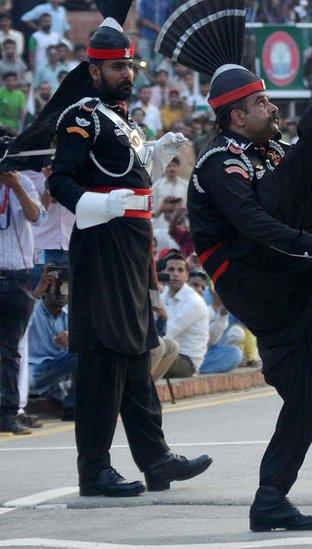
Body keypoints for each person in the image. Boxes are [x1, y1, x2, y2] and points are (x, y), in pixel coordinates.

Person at [154, 1, 312, 530]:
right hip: (256, 277)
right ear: (235, 116)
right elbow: (252, 221)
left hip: (290, 280)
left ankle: (271, 496)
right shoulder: (219, 162)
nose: (272, 109)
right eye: (262, 102)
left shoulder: (268, 151)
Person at [44, 3, 211, 497]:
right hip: (102, 246)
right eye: (117, 67)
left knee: (138, 354)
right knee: (103, 358)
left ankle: (155, 459)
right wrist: (93, 204)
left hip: (134, 247)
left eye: (129, 66)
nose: (126, 74)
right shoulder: (83, 118)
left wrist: (155, 160)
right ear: (94, 70)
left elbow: (132, 184)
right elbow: (61, 179)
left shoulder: (126, 121)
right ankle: (93, 469)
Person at [0, 162, 42, 435]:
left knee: (10, 351)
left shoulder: (24, 182)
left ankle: (8, 412)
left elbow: (36, 216)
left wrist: (15, 186)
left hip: (17, 278)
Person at [28, 266, 75, 420]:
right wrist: (40, 288)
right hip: (34, 368)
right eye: (56, 288)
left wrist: (72, 337)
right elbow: (24, 312)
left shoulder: (69, 313)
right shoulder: (34, 310)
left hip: (57, 368)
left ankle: (72, 406)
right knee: (23, 382)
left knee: (83, 349)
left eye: (65, 288)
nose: (62, 295)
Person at [160, 253, 209, 378]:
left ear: (186, 276)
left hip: (186, 363)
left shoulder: (193, 302)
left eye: (180, 270)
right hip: (165, 352)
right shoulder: (162, 296)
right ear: (164, 273)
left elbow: (167, 333)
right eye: (171, 270)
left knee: (141, 357)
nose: (175, 274)